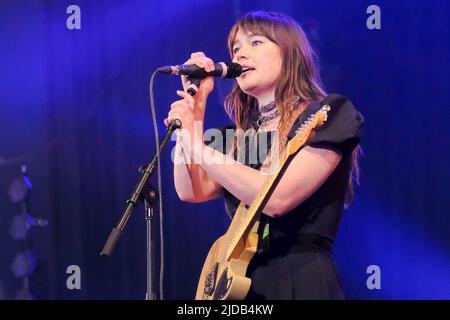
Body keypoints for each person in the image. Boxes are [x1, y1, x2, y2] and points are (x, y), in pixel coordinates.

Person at [164, 11, 364, 299]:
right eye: (236, 48)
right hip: (239, 283)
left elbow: (277, 199)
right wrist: (195, 110)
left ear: (290, 53)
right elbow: (190, 190)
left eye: (255, 43)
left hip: (299, 278)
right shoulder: (237, 138)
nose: (240, 54)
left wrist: (197, 145)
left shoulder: (328, 114)